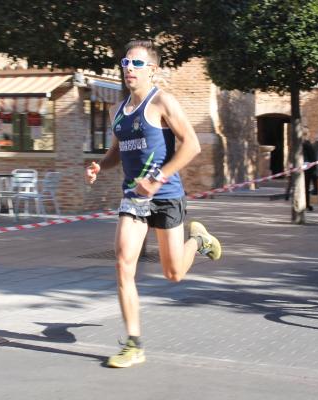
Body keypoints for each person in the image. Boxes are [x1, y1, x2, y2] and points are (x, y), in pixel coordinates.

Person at [85, 39, 222, 368]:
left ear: (152, 70)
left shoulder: (162, 101)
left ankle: (198, 239)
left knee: (173, 273)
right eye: (125, 63)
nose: (129, 69)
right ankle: (134, 343)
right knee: (122, 263)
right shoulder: (119, 111)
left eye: (137, 64)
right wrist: (99, 166)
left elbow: (191, 146)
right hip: (134, 198)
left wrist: (158, 179)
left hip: (166, 195)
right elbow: (117, 152)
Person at [302, 130, 317, 211]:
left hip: (303, 168)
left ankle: (306, 204)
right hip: (308, 169)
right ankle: (306, 204)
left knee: (304, 187)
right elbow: (312, 157)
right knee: (306, 187)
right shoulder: (308, 144)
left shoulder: (301, 144)